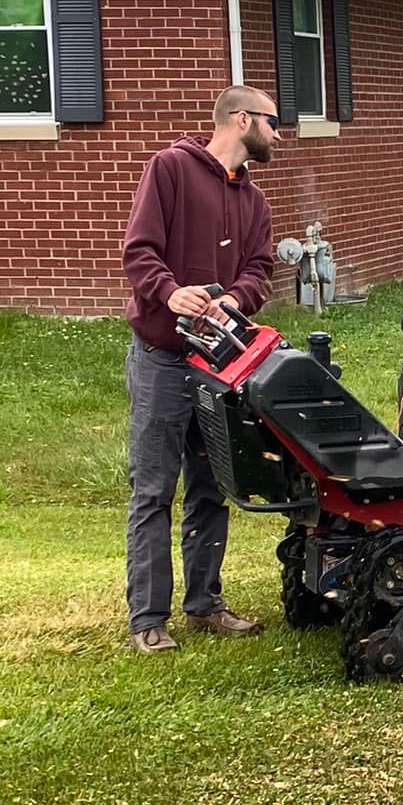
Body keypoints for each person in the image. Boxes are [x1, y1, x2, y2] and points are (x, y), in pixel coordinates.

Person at [120, 86, 279, 653]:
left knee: (211, 486)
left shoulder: (254, 200)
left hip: (218, 366)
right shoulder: (170, 169)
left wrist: (236, 300)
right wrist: (171, 293)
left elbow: (260, 268)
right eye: (271, 122)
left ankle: (205, 604)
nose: (277, 134)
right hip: (162, 360)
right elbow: (139, 251)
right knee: (154, 488)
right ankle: (148, 619)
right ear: (241, 120)